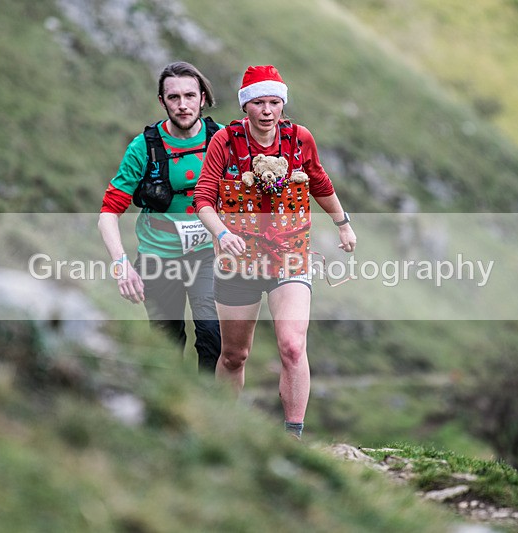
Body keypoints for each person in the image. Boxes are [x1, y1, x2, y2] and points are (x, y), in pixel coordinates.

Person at [194, 65, 357, 438]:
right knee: (235, 355)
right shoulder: (225, 141)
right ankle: (225, 430)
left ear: (282, 104)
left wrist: (343, 223)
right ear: (245, 107)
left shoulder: (300, 139)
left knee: (292, 346)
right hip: (238, 261)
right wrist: (221, 233)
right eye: (258, 102)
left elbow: (318, 181)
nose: (267, 110)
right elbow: (203, 196)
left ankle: (292, 437)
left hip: (291, 256)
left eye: (274, 102)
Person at [98, 61, 222, 374]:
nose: (183, 105)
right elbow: (108, 214)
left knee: (212, 335)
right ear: (162, 101)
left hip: (207, 255)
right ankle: (176, 411)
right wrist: (122, 266)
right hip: (158, 256)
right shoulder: (144, 147)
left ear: (203, 98)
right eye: (174, 97)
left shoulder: (220, 140)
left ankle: (209, 409)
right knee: (167, 344)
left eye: (190, 96)